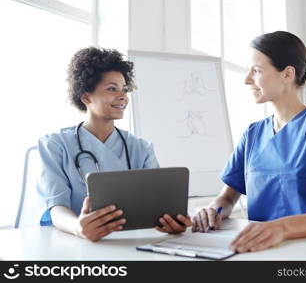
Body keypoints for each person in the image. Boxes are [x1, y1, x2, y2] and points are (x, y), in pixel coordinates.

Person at [192, 31, 306, 253]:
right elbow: (227, 198)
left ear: (287, 74)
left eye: (256, 71)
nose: (247, 79)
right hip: (259, 252)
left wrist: (280, 228)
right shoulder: (253, 134)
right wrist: (212, 210)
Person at [37, 47, 192, 241]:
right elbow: (55, 207)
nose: (122, 96)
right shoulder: (55, 145)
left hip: (130, 243)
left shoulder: (141, 148)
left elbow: (157, 206)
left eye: (124, 89)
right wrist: (78, 228)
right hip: (72, 244)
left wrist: (170, 222)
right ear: (85, 96)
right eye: (112, 88)